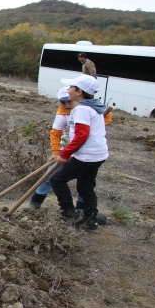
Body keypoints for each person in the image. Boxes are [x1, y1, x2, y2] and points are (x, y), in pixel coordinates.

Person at [23, 87, 112, 223]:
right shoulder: (64, 113)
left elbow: (87, 133)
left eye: (69, 102)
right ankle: (36, 202)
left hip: (83, 152)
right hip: (68, 150)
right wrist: (56, 152)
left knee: (80, 182)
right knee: (51, 176)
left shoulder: (86, 109)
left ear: (77, 97)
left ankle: (80, 212)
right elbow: (55, 133)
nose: (66, 105)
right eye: (62, 102)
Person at [50, 74, 108, 233]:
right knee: (86, 186)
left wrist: (65, 154)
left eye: (71, 87)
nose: (68, 90)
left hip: (87, 156)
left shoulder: (82, 109)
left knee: (57, 179)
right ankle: (90, 221)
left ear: (79, 92)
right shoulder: (95, 106)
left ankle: (69, 213)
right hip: (98, 154)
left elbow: (82, 135)